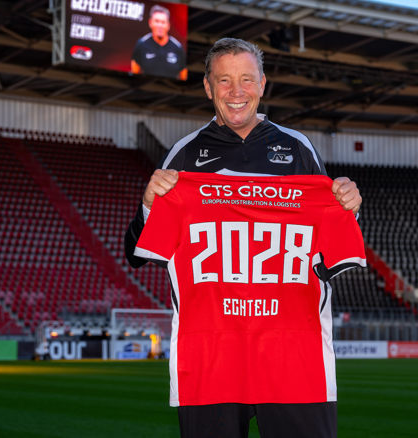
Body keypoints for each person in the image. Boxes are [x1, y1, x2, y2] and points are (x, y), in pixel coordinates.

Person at [125, 38, 362, 438]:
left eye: (247, 79)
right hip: (211, 357)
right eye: (224, 80)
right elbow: (135, 254)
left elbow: (326, 258)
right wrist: (149, 205)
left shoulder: (298, 150)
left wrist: (347, 208)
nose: (237, 91)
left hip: (293, 356)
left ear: (262, 84)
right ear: (207, 87)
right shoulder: (184, 156)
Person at [131, 4, 188, 80]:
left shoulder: (178, 47)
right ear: (150, 22)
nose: (160, 25)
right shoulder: (141, 44)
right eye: (157, 21)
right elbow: (134, 73)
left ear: (168, 25)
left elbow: (183, 76)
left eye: (163, 22)